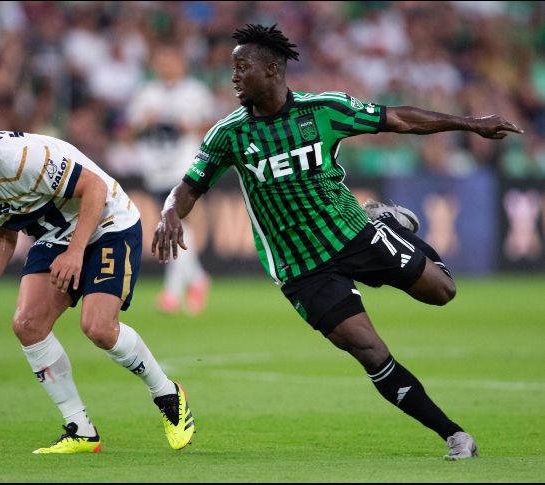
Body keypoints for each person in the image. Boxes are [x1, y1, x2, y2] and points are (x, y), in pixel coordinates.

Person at [152, 24, 524, 460]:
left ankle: (388, 223)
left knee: (442, 292)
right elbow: (188, 187)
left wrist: (470, 124)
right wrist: (169, 213)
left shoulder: (324, 110)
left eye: (241, 67)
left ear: (271, 70)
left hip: (353, 234)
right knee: (369, 350)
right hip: (301, 267)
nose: (232, 77)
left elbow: (398, 119)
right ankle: (454, 435)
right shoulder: (228, 134)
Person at [0, 113, 195, 454]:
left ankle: (167, 395)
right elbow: (1, 230)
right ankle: (80, 430)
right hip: (56, 235)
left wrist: (75, 253)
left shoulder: (18, 157)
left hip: (108, 222)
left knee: (98, 327)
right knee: (28, 324)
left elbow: (95, 188)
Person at [126, 45, 215, 315]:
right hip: (156, 168)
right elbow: (130, 131)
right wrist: (145, 123)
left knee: (177, 220)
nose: (166, 66)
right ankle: (197, 279)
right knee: (175, 224)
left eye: (170, 60)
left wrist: (192, 127)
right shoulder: (146, 94)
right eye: (161, 61)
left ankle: (172, 292)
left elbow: (213, 126)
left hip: (185, 165)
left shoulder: (195, 92)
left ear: (181, 63)